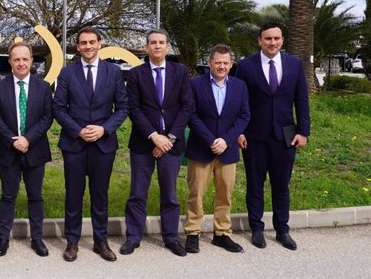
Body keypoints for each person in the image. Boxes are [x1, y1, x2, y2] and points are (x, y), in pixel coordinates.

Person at [53, 27, 128, 262]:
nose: (87, 46)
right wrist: (77, 131)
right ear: (78, 46)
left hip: (103, 144)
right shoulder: (67, 73)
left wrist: (104, 128)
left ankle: (100, 241)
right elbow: (58, 108)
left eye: (92, 42)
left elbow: (123, 107)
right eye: (83, 43)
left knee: (100, 194)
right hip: (74, 144)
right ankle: (72, 242)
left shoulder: (113, 72)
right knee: (73, 195)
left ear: (99, 44)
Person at [235, 22, 310, 251]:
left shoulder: (294, 64)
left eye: (276, 38)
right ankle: (257, 228)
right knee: (255, 185)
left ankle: (282, 230)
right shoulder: (246, 66)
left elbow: (302, 100)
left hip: (286, 136)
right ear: (259, 40)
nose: (272, 43)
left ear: (282, 40)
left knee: (281, 186)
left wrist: (303, 131)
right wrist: (238, 131)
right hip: (253, 136)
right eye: (268, 38)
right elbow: (238, 100)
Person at [121, 29, 194, 257]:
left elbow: (186, 107)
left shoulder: (180, 72)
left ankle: (171, 237)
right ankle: (133, 236)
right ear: (146, 47)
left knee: (170, 194)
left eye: (162, 42)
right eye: (153, 43)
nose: (157, 46)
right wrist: (154, 136)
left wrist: (169, 138)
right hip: (144, 143)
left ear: (168, 46)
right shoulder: (135, 74)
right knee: (137, 192)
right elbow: (134, 108)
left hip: (171, 144)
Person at [0, 42, 53, 258]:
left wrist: (28, 139)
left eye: (25, 58)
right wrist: (12, 139)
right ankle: (3, 238)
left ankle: (37, 239)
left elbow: (47, 117)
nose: (21, 63)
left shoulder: (43, 86)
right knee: (8, 196)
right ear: (10, 61)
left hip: (35, 150)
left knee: (36, 197)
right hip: (8, 150)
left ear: (32, 60)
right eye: (16, 59)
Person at [184, 44, 250, 254]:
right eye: (218, 62)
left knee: (224, 194)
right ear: (209, 63)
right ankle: (193, 232)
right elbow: (191, 114)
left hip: (227, 150)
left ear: (231, 65)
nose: (221, 66)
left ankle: (221, 233)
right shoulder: (195, 84)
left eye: (226, 63)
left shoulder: (240, 86)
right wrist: (211, 140)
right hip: (201, 148)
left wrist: (227, 140)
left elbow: (244, 116)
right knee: (196, 193)